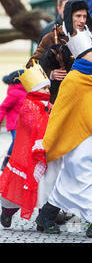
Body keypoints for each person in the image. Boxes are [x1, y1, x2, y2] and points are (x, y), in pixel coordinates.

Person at [36, 27, 92, 238]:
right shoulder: (72, 80)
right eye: (91, 51)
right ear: (80, 55)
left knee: (72, 181)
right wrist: (51, 140)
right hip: (77, 139)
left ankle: (45, 216)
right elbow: (61, 113)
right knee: (84, 177)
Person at [0, 62, 53, 228]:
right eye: (44, 89)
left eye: (48, 89)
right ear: (35, 89)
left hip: (44, 152)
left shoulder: (49, 106)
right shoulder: (29, 105)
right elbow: (32, 123)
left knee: (43, 186)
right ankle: (7, 212)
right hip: (28, 154)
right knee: (18, 187)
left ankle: (42, 219)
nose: (47, 92)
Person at [27, 0, 92, 104]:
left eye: (84, 16)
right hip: (57, 101)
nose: (82, 20)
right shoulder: (50, 38)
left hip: (86, 100)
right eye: (78, 16)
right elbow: (31, 67)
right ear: (69, 17)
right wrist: (50, 74)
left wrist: (82, 78)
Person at [0, 70, 27, 171]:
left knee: (21, 142)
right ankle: (6, 161)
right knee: (16, 141)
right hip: (14, 123)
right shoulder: (15, 93)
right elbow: (3, 108)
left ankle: (16, 162)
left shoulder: (26, 91)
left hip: (24, 123)